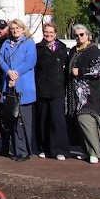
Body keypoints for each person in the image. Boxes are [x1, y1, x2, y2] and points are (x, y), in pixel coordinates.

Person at [67, 24, 100, 164]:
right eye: (76, 35)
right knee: (79, 122)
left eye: (82, 34)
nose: (79, 37)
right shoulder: (74, 51)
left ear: (87, 35)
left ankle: (95, 151)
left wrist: (80, 72)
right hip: (74, 94)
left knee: (86, 120)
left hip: (89, 93)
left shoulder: (93, 51)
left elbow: (98, 70)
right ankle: (87, 150)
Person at [0, 19, 37, 161]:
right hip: (9, 85)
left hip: (23, 85)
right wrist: (8, 72)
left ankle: (25, 150)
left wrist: (16, 73)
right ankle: (16, 149)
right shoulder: (7, 44)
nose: (15, 30)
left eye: (17, 28)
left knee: (24, 120)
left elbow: (30, 61)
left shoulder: (28, 43)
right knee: (13, 118)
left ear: (23, 28)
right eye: (13, 28)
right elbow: (1, 59)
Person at [35, 22, 70, 160]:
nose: (48, 35)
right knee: (43, 119)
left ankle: (59, 149)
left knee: (58, 120)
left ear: (55, 34)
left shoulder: (62, 48)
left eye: (51, 32)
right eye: (46, 32)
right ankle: (44, 148)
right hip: (42, 89)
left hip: (57, 89)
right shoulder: (38, 48)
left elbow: (66, 68)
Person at [0, 19, 12, 157]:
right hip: (1, 83)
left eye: (3, 28)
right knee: (3, 117)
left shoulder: (13, 42)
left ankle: (16, 144)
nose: (1, 31)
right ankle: (5, 145)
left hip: (13, 82)